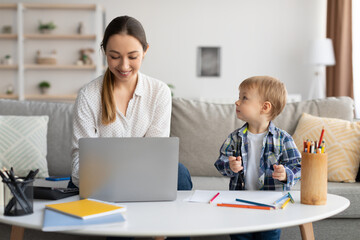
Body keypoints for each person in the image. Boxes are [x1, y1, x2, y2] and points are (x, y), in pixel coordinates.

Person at [69, 16, 192, 239]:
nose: (124, 66)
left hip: (145, 177)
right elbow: (79, 163)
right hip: (103, 183)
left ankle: (168, 228)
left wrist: (131, 176)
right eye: (114, 57)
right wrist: (110, 177)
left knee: (179, 173)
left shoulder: (159, 92)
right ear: (104, 52)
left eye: (132, 56)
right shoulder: (89, 95)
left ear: (145, 51)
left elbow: (156, 155)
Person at [214, 76, 301, 240]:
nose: (237, 102)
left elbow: (298, 166)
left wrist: (285, 174)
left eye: (244, 98)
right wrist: (229, 165)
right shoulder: (235, 138)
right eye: (239, 97)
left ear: (265, 107)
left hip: (271, 206)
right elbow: (220, 162)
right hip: (239, 204)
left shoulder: (283, 139)